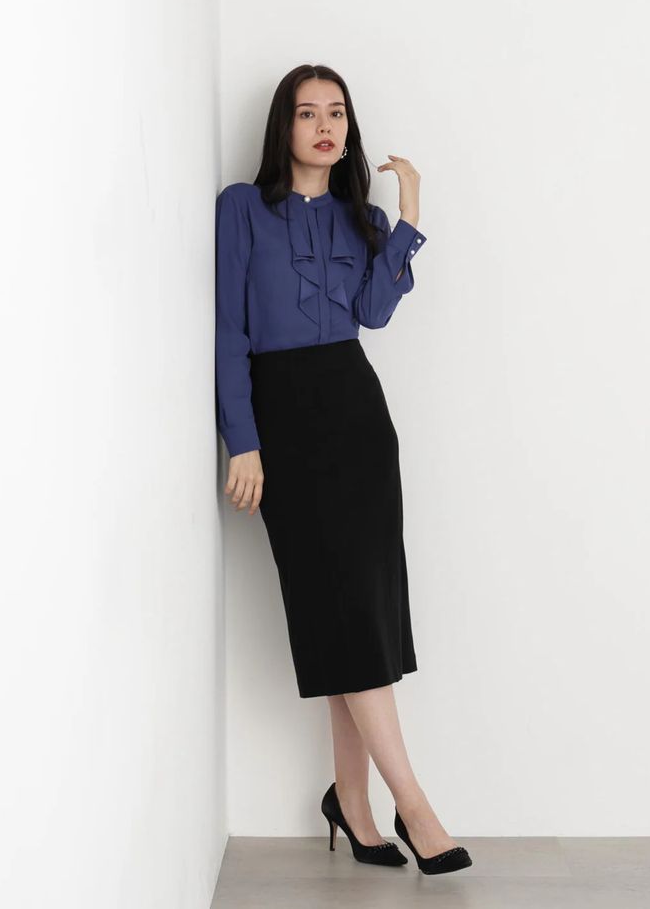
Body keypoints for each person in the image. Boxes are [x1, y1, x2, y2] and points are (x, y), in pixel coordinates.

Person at [215, 64, 472, 876]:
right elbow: (227, 331)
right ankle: (415, 808)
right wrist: (242, 440)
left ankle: (354, 806)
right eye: (307, 113)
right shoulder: (241, 208)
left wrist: (409, 221)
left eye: (337, 113)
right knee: (342, 612)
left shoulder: (364, 219)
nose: (325, 126)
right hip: (283, 422)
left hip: (357, 418)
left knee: (355, 614)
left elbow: (372, 312)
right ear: (283, 127)